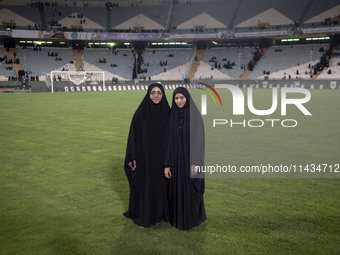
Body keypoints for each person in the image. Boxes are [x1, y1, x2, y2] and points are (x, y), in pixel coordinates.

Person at [124, 83, 170, 227]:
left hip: (162, 159)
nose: (156, 95)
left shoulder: (168, 113)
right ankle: (145, 214)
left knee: (160, 185)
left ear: (163, 95)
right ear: (148, 94)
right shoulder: (141, 113)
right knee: (146, 186)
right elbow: (133, 135)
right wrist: (131, 156)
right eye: (153, 92)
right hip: (144, 158)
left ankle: (160, 214)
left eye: (159, 93)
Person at [164, 87, 206, 230]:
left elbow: (199, 142)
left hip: (190, 161)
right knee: (176, 190)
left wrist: (195, 163)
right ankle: (178, 218)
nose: (179, 101)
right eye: (176, 98)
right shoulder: (171, 116)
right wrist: (167, 164)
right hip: (175, 162)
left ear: (187, 98)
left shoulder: (195, 116)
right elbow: (168, 142)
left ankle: (191, 219)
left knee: (190, 189)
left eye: (182, 98)